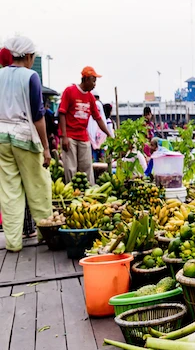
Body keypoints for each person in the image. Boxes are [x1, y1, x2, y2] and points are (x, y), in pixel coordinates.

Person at [0, 36, 53, 252]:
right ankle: (44, 234)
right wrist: (46, 147)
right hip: (24, 137)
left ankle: (13, 242)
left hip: (2, 137)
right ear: (29, 56)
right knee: (38, 187)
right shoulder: (31, 76)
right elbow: (38, 115)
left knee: (9, 190)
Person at [58, 66, 112, 184]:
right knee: (71, 168)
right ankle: (72, 192)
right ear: (86, 79)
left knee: (87, 167)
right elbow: (62, 113)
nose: (94, 84)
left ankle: (88, 193)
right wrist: (64, 137)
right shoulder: (70, 91)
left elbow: (98, 118)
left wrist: (109, 134)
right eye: (93, 81)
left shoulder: (90, 98)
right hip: (70, 136)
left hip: (83, 137)